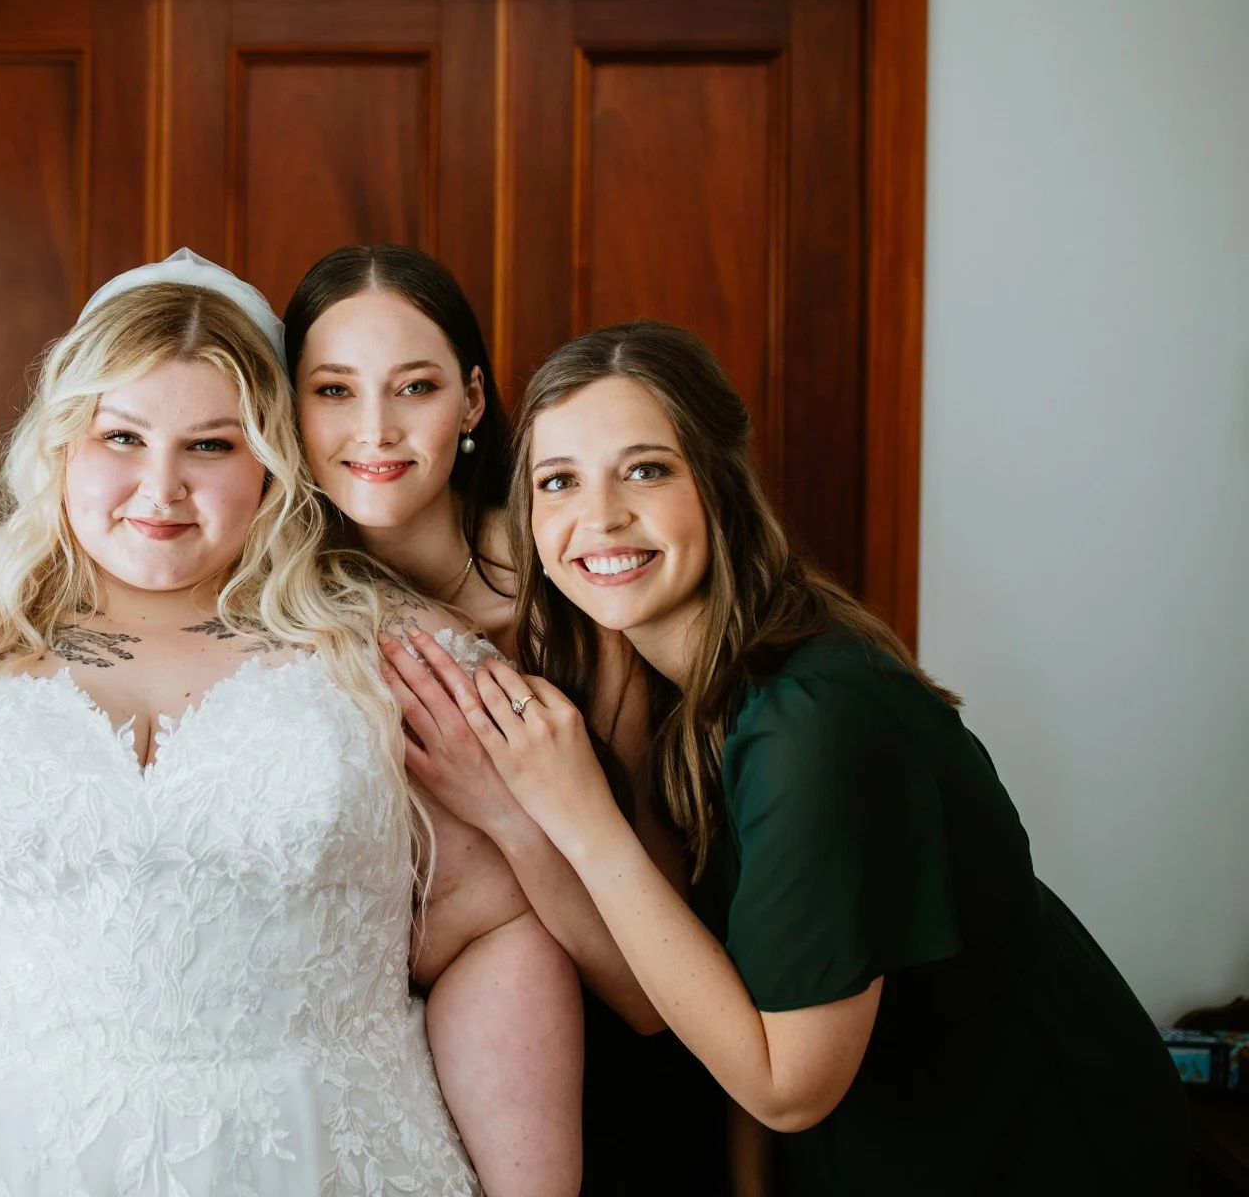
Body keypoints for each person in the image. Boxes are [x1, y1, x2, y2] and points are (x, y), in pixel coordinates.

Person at [0, 253, 582, 1195]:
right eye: (123, 439)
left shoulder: (398, 661)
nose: (160, 488)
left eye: (212, 446)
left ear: (270, 457)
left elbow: (492, 932)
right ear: (63, 445)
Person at [386, 319, 1194, 1193]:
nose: (600, 516)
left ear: (722, 484)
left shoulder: (815, 722)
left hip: (1038, 1157)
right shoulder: (675, 682)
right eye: (559, 482)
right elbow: (671, 999)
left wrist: (579, 817)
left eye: (646, 470)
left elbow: (786, 1088)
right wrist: (519, 812)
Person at [285, 246, 728, 1192]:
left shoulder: (576, 589)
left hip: (604, 1090)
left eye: (415, 387)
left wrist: (507, 812)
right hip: (361, 1084)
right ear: (289, 407)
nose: (375, 429)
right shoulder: (271, 614)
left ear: (473, 401)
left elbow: (652, 995)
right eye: (333, 390)